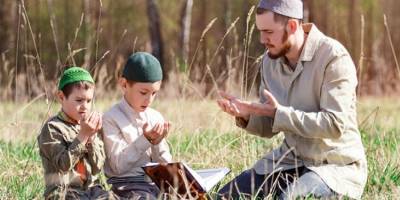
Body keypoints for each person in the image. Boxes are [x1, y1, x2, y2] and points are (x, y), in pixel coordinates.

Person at [216, 0, 367, 199]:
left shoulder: (333, 57)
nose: (262, 39)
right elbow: (270, 124)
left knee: (287, 198)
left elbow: (334, 124)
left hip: (335, 166)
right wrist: (247, 116)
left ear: (293, 26)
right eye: (260, 31)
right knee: (225, 196)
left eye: (269, 32)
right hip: (291, 161)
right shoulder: (269, 62)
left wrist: (279, 113)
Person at [102, 52, 172, 200]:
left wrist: (157, 143)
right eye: (143, 92)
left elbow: (165, 166)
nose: (149, 99)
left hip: (158, 185)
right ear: (124, 84)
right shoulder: (111, 118)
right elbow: (118, 166)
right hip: (128, 186)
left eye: (154, 93)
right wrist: (145, 139)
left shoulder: (155, 116)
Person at [37, 66, 116, 199]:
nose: (85, 106)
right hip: (64, 192)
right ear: (61, 97)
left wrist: (90, 138)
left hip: (91, 189)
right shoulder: (52, 128)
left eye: (89, 101)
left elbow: (97, 167)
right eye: (79, 100)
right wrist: (83, 136)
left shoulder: (88, 126)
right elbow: (63, 165)